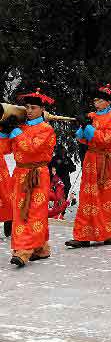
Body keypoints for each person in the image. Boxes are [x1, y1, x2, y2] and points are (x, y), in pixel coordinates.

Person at [0, 89, 57, 267]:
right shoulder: (21, 127)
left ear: (42, 109)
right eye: (27, 107)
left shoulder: (46, 129)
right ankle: (40, 248)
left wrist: (15, 131)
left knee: (34, 212)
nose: (29, 110)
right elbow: (5, 149)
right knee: (20, 212)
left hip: (38, 174)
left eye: (33, 107)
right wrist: (3, 132)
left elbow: (31, 148)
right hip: (20, 174)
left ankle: (23, 251)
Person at [67, 84, 111, 248]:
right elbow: (81, 139)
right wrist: (82, 127)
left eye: (99, 100)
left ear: (107, 102)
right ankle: (83, 234)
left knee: (109, 197)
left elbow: (107, 139)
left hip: (109, 161)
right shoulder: (91, 115)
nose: (96, 102)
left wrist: (88, 127)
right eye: (95, 100)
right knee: (88, 196)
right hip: (92, 160)